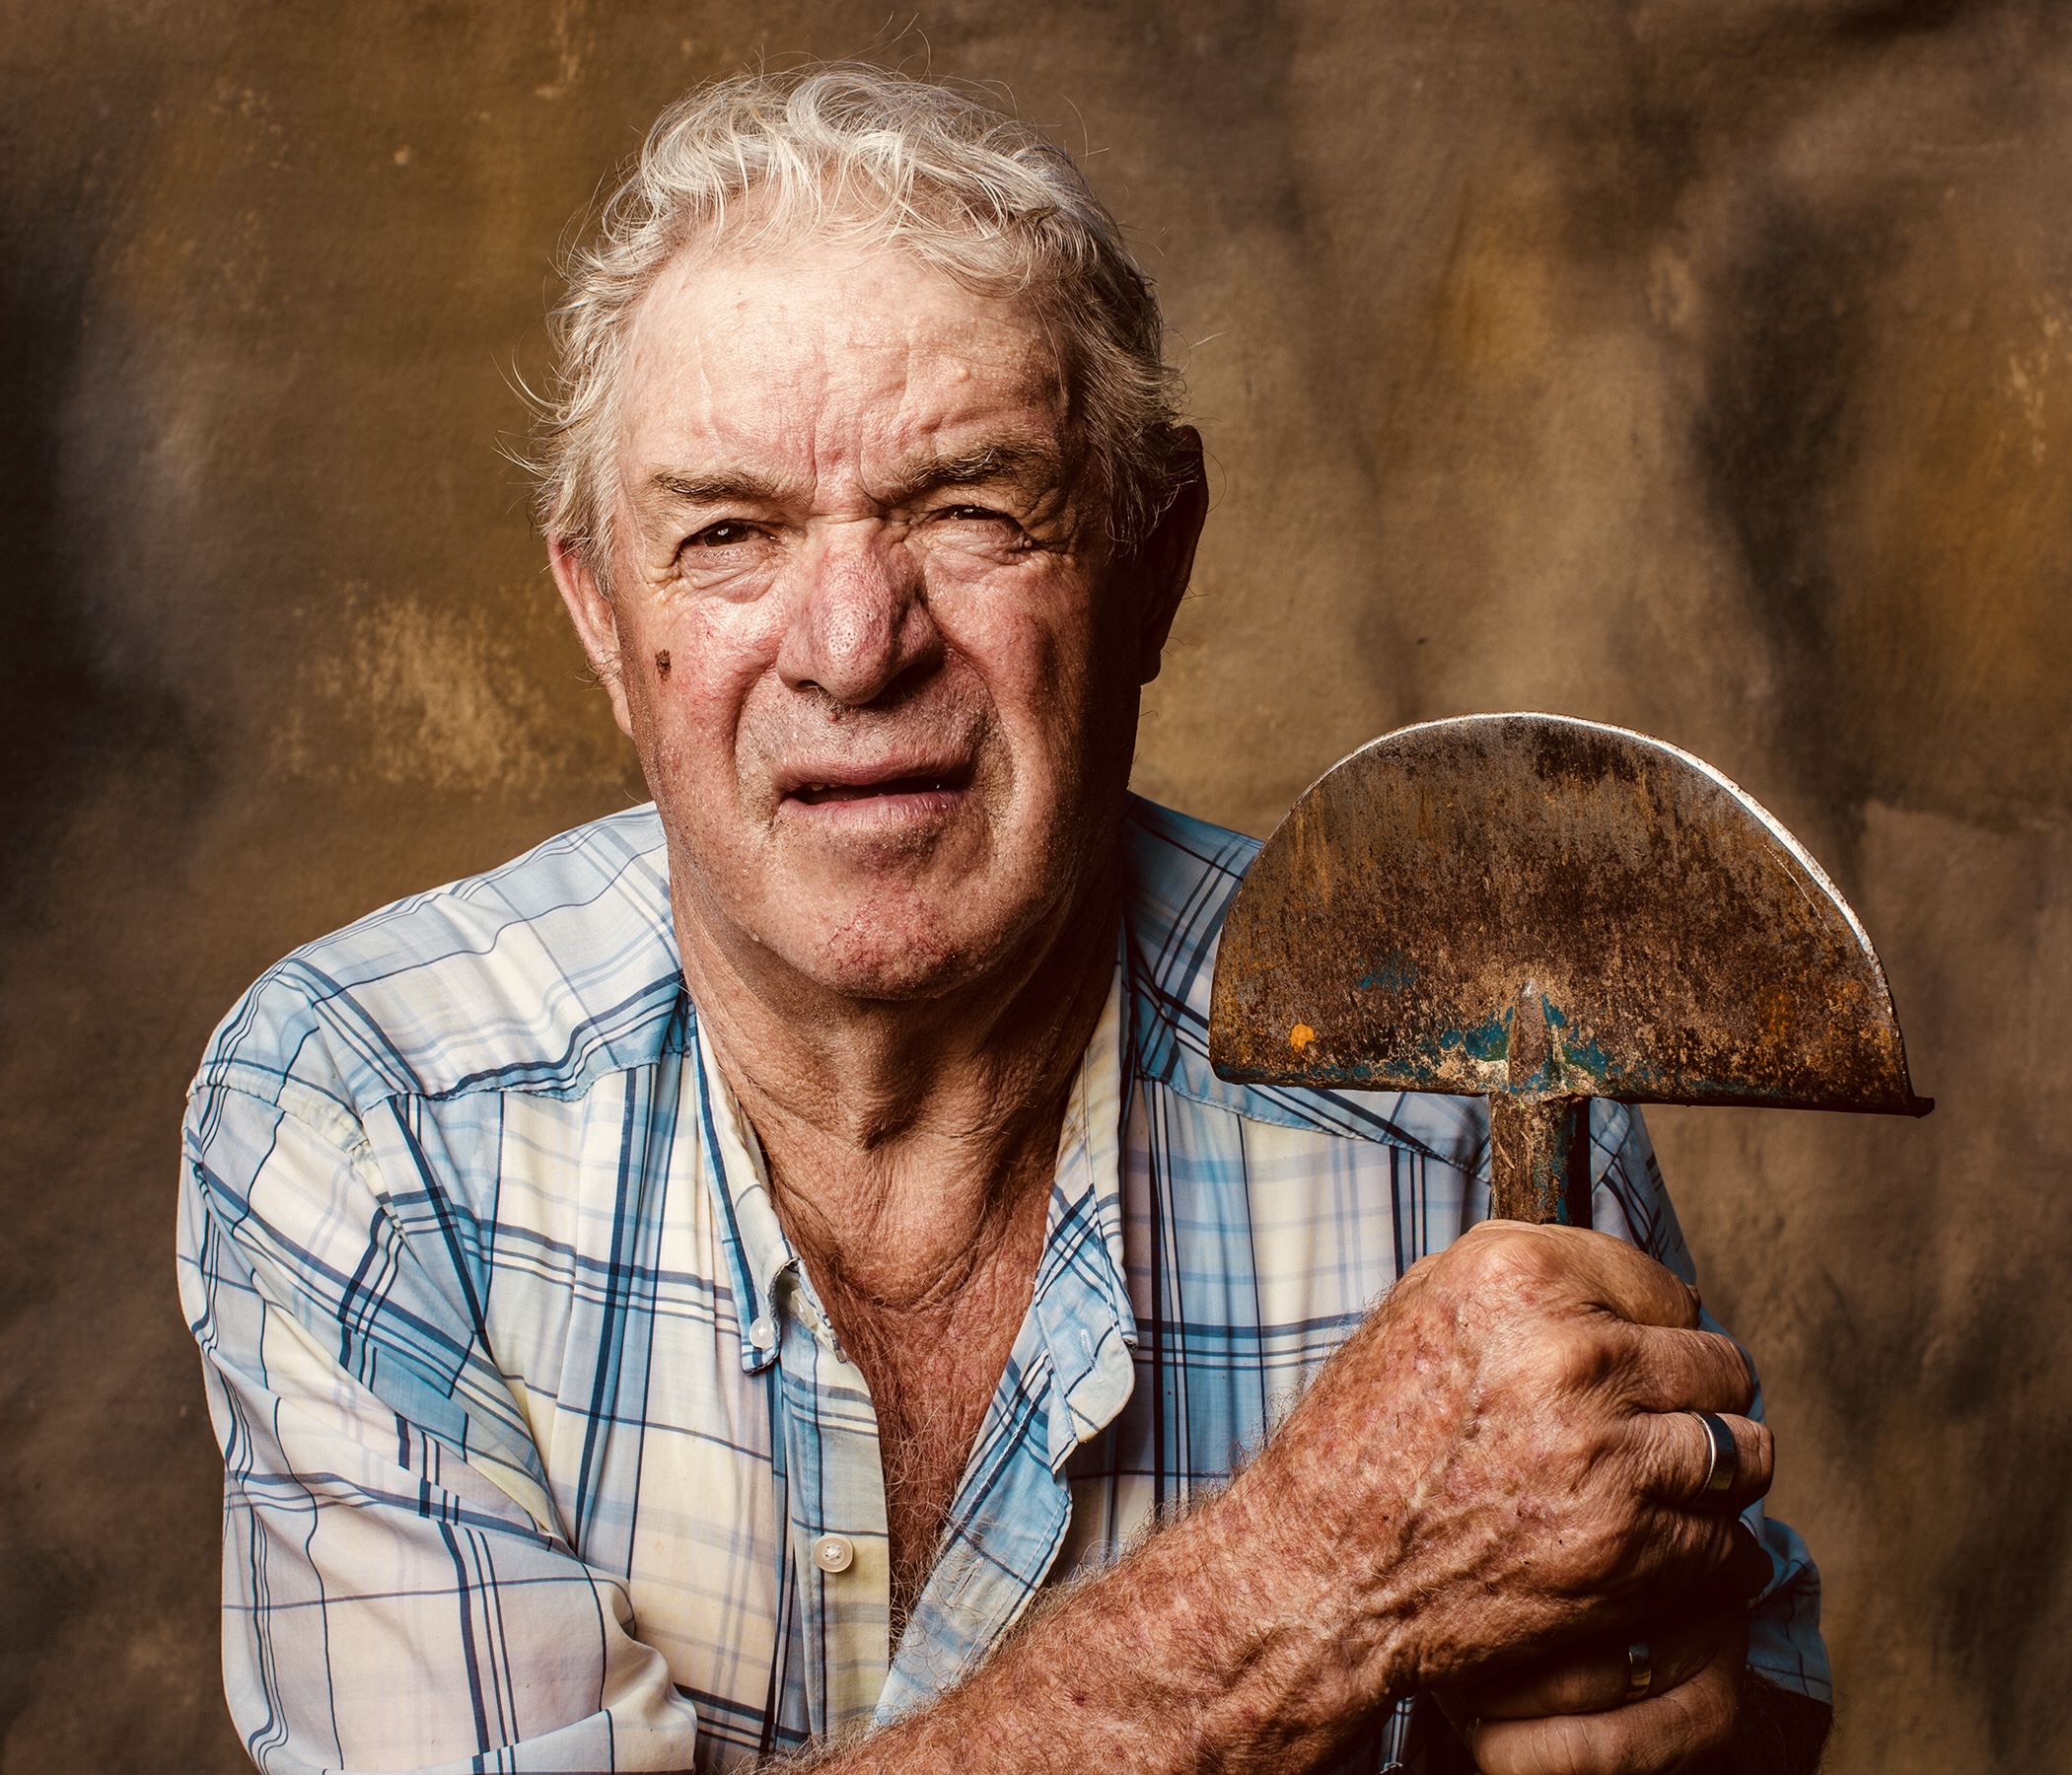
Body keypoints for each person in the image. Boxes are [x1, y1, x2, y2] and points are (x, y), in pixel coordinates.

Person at [176, 64, 1831, 1775]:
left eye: (968, 506)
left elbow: (1721, 1692)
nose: (850, 642)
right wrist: (1319, 1575)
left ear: (1153, 557)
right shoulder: (367, 1115)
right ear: (603, 617)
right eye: (729, 532)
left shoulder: (1458, 1100)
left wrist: (1692, 1725)